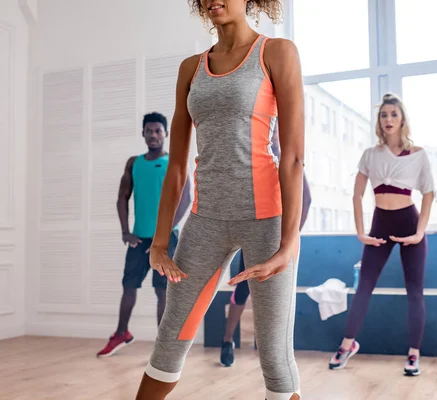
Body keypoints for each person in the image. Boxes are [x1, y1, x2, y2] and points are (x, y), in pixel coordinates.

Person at [134, 0, 305, 399]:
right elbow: (176, 166)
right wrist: (160, 242)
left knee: (275, 359)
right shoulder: (190, 68)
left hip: (267, 219)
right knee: (170, 341)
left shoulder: (276, 52)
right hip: (205, 218)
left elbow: (294, 157)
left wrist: (288, 244)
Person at [328, 93, 435, 376]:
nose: (388, 120)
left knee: (415, 292)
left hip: (409, 222)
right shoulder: (370, 155)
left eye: (394, 115)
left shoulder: (418, 154)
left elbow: (428, 194)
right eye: (384, 115)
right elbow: (356, 194)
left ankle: (414, 353)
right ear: (379, 121)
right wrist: (361, 233)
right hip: (380, 223)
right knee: (364, 287)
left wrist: (420, 233)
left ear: (402, 120)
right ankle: (347, 345)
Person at [97, 112, 192, 358]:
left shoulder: (174, 162)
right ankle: (121, 333)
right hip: (139, 238)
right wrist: (125, 232)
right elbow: (122, 197)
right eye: (148, 131)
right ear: (143, 134)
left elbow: (186, 198)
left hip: (166, 239)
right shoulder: (134, 163)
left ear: (165, 134)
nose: (153, 135)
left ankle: (162, 346)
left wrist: (164, 235)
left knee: (162, 291)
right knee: (129, 286)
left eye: (158, 131)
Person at [221, 160, 312, 367]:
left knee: (280, 295)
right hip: (255, 234)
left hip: (283, 240)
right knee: (243, 289)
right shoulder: (254, 158)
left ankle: (279, 350)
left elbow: (306, 200)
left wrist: (292, 236)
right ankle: (227, 341)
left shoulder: (292, 161)